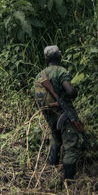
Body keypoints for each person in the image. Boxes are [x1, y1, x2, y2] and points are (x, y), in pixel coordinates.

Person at [34, 45, 81, 180]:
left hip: (49, 113)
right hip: (64, 113)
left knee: (55, 139)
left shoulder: (39, 75)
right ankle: (68, 181)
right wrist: (75, 91)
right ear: (59, 57)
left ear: (46, 59)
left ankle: (51, 172)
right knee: (71, 143)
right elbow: (70, 92)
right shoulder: (61, 72)